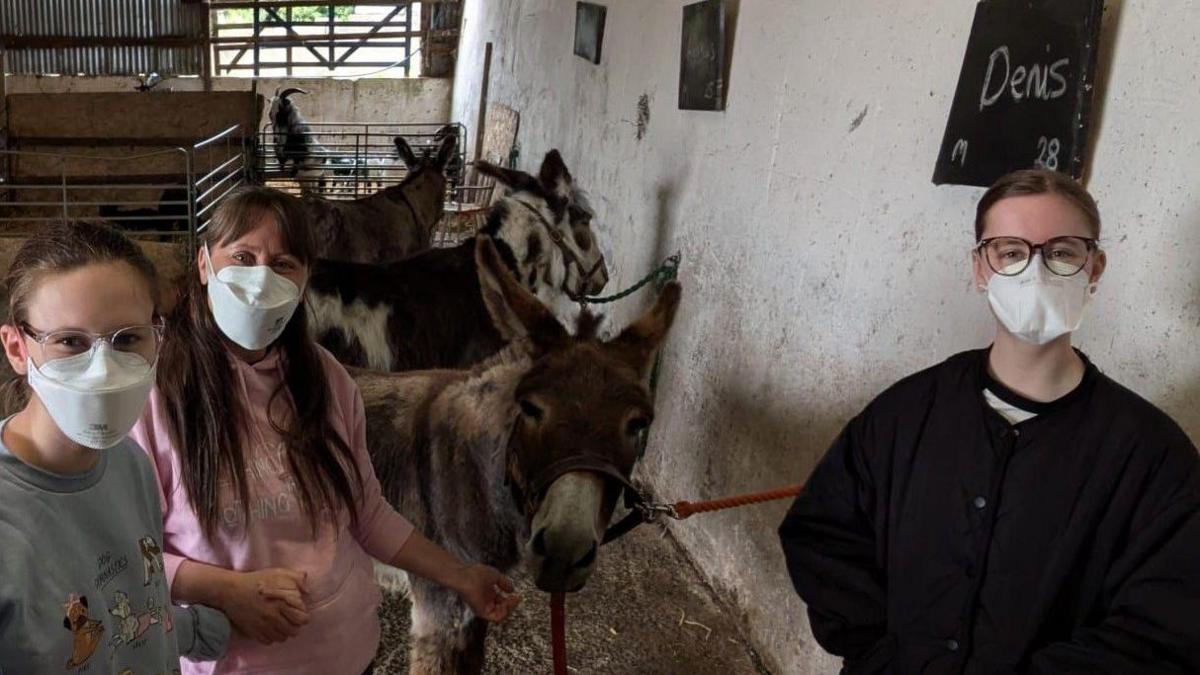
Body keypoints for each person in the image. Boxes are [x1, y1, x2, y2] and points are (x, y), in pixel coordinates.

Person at [779, 169, 1200, 674]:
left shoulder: (1153, 457)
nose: (1035, 272)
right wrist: (880, 654)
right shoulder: (905, 413)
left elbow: (1165, 623)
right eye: (1011, 252)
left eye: (1062, 252)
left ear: (1095, 267)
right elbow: (824, 531)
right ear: (980, 268)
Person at [130, 186, 520, 675]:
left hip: (349, 652)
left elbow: (368, 511)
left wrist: (461, 576)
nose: (259, 279)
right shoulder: (157, 399)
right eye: (243, 256)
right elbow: (125, 557)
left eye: (283, 264)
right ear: (206, 265)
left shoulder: (328, 380)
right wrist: (227, 591)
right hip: (237, 664)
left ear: (305, 279)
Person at [0, 221, 229, 672]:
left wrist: (201, 630)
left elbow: (129, 602)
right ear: (17, 348)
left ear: (157, 336)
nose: (103, 370)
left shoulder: (128, 463)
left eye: (127, 339)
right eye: (70, 342)